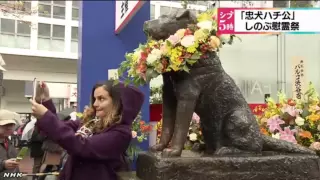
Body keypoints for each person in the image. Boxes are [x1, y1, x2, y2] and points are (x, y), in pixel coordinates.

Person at [29, 80, 144, 180]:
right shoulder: (92, 123)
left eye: (101, 99)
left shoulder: (121, 133)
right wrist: (45, 101)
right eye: (95, 99)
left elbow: (81, 145)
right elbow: (58, 129)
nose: (95, 104)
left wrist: (46, 115)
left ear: (118, 103)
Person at [0, 109, 21, 180]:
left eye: (11, 124)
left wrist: (19, 177)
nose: (9, 128)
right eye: (5, 125)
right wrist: (2, 164)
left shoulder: (8, 141)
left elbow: (15, 167)